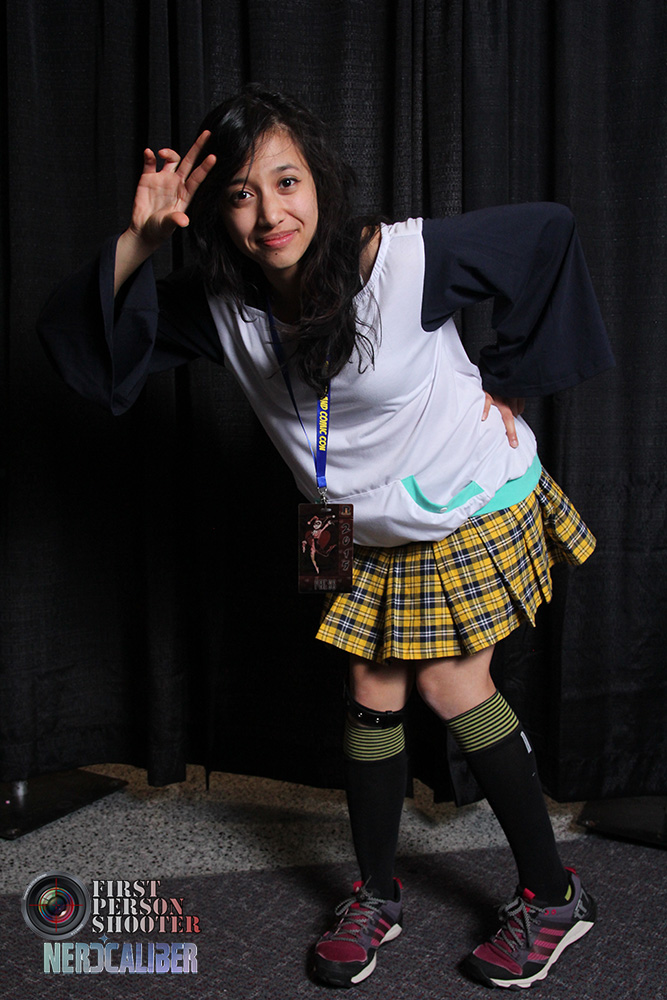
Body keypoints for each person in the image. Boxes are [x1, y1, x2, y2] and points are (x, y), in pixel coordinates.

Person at [38, 84, 614, 990]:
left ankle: (554, 897)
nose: (270, 214)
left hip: (461, 499)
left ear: (320, 182)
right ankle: (376, 895)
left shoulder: (404, 260)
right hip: (349, 524)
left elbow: (548, 233)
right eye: (240, 195)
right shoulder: (223, 305)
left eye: (286, 182)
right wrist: (139, 242)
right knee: (368, 690)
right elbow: (81, 345)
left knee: (449, 684)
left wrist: (508, 377)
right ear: (217, 212)